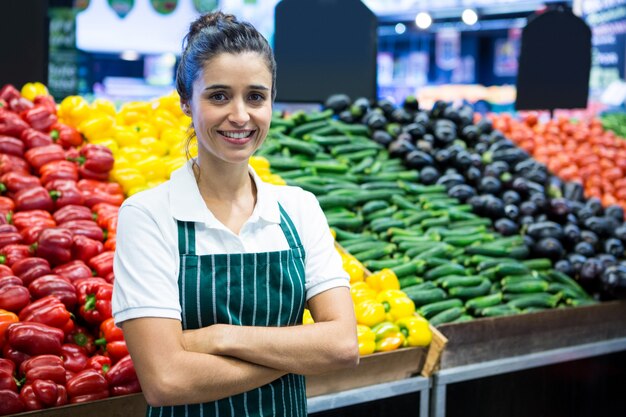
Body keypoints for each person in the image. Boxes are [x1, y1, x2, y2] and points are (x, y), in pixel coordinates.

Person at [111, 11, 359, 417]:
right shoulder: (148, 215)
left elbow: (342, 346)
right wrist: (295, 353)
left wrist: (218, 337)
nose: (241, 115)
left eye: (256, 96)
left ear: (272, 102)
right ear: (187, 103)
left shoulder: (299, 208)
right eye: (219, 96)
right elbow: (165, 380)